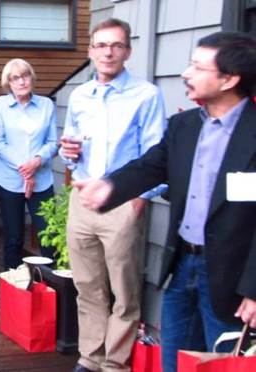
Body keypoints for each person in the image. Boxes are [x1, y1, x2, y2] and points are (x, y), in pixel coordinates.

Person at [73, 31, 256, 372]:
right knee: (174, 361)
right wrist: (110, 186)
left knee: (224, 364)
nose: (187, 73)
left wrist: (254, 288)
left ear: (230, 79)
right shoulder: (184, 125)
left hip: (232, 280)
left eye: (198, 67)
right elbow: (151, 165)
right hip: (183, 264)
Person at [60, 18, 167, 372]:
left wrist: (139, 201)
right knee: (87, 284)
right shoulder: (79, 95)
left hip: (123, 202)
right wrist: (68, 153)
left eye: (116, 45)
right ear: (91, 51)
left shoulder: (146, 94)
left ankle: (115, 364)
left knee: (124, 290)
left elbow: (157, 154)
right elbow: (69, 149)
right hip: (83, 199)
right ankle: (91, 358)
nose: (108, 52)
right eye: (101, 45)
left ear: (127, 51)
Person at [0, 58, 58, 269]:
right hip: (9, 181)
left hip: (42, 180)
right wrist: (25, 169)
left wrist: (37, 161)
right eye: (15, 78)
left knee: (48, 236)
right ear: (8, 83)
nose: (21, 81)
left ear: (32, 78)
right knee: (13, 238)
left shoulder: (46, 105)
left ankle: (51, 288)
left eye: (25, 75)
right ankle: (14, 287)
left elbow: (53, 142)